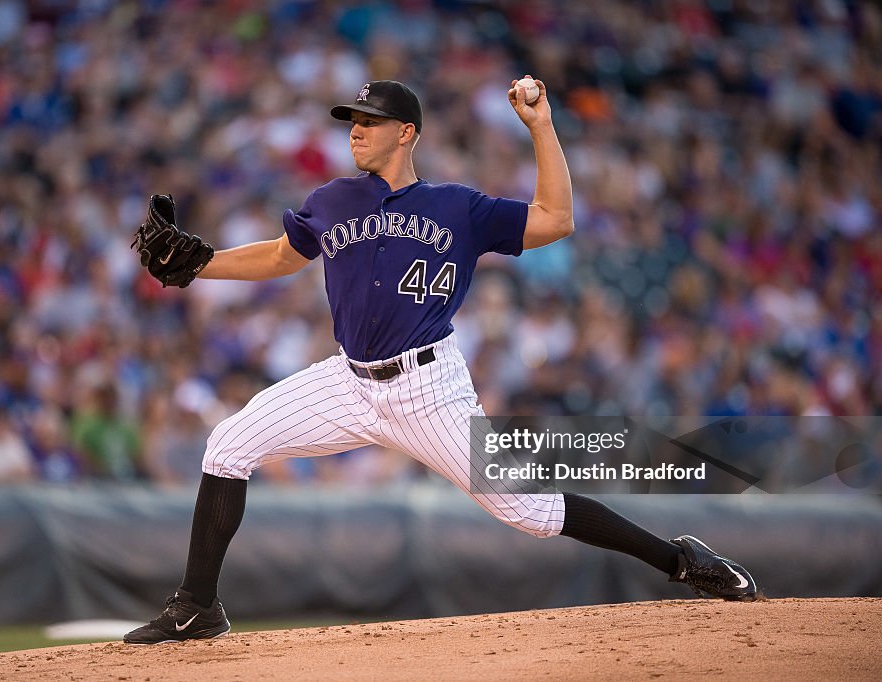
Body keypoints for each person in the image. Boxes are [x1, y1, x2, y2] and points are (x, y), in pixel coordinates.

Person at [124, 78, 758, 644]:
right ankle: (197, 608)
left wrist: (540, 126)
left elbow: (556, 219)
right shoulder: (334, 198)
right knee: (227, 445)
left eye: (368, 121)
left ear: (407, 134)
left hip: (430, 389)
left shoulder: (459, 207)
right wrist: (202, 264)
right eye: (352, 119)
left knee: (530, 512)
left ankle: (681, 560)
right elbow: (283, 256)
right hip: (347, 381)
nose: (355, 130)